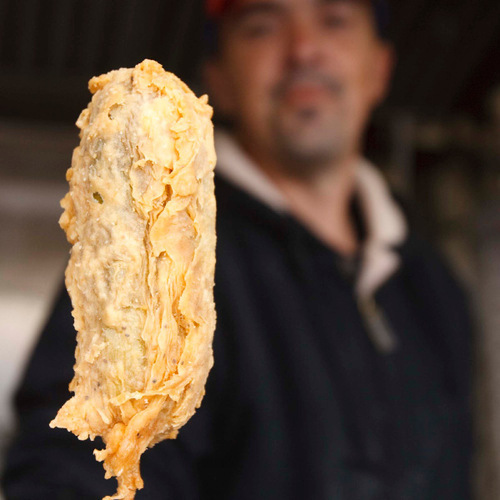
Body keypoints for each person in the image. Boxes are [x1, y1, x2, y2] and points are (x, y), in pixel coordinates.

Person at [2, 0, 473, 499]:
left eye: (334, 20)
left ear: (379, 69)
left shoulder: (432, 285)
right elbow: (78, 468)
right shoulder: (156, 249)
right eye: (262, 28)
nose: (303, 49)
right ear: (219, 79)